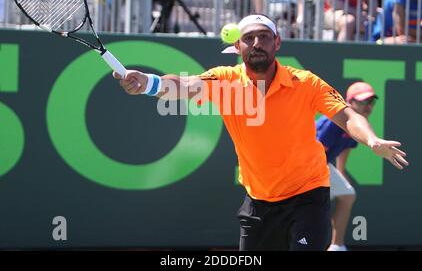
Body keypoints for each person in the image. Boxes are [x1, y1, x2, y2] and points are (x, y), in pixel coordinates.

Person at [114, 14, 408, 251]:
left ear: (277, 43)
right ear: (238, 47)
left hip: (308, 194)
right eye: (249, 38)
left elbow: (345, 115)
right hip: (258, 200)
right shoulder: (225, 80)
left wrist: (372, 140)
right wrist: (149, 83)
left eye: (264, 37)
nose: (257, 43)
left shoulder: (305, 83)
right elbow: (185, 86)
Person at [316, 81, 378, 251]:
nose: (368, 106)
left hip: (321, 164)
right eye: (363, 101)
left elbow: (345, 149)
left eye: (371, 102)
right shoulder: (332, 122)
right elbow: (315, 152)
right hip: (307, 165)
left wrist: (341, 172)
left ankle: (337, 246)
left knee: (347, 194)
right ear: (349, 102)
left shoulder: (358, 124)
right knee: (311, 206)